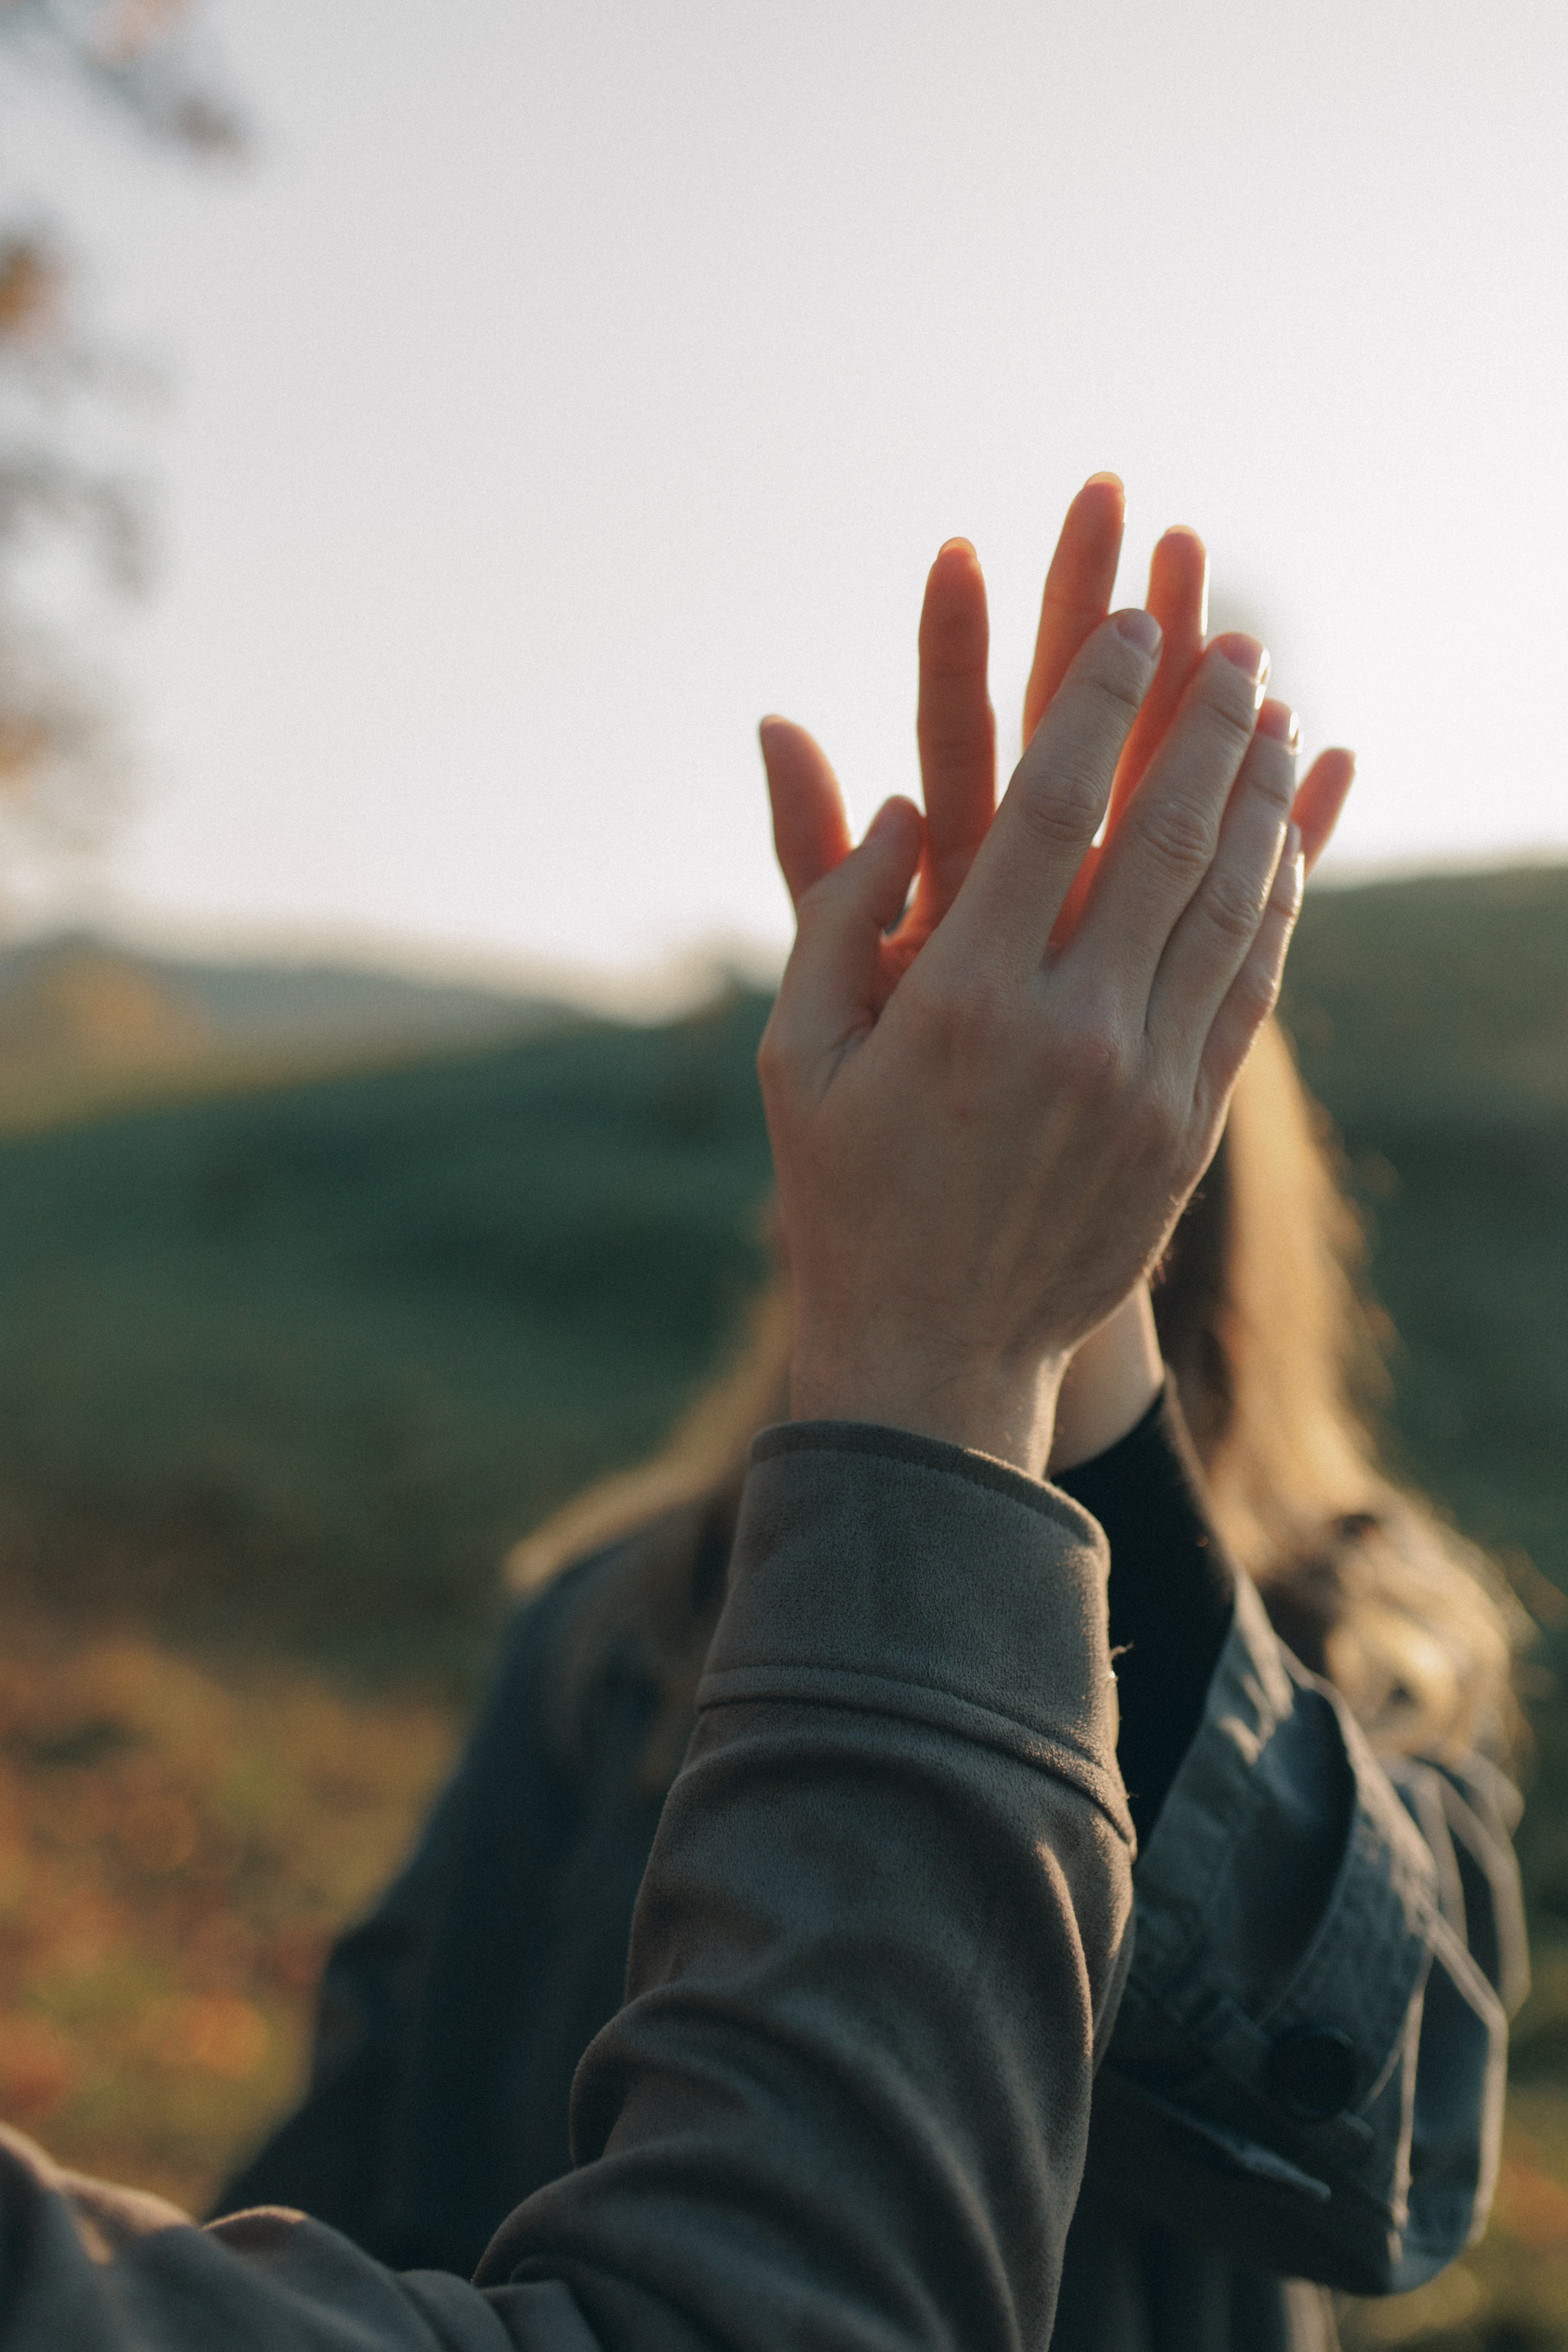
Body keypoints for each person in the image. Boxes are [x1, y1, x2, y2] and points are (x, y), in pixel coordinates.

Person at [216, 480, 1527, 2351]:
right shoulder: (611, 1626)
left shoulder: (1360, 1639)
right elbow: (356, 2149)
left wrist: (1042, 1358)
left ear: (1205, 1225)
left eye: (1086, 1155)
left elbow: (1389, 2151)